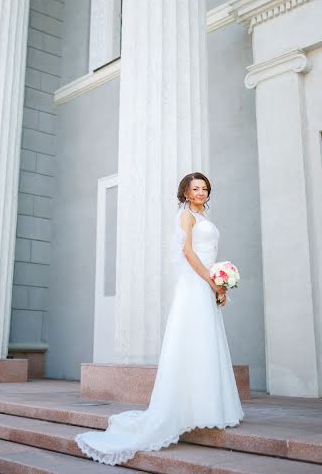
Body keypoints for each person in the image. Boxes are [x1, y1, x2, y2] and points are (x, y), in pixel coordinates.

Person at [76, 172, 244, 466]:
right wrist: (210, 280)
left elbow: (209, 252)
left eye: (204, 188)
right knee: (191, 339)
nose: (201, 193)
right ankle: (183, 409)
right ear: (186, 192)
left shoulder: (204, 216)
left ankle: (208, 408)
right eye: (195, 189)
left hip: (206, 284)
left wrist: (221, 284)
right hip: (195, 283)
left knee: (207, 341)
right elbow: (188, 253)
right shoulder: (186, 217)